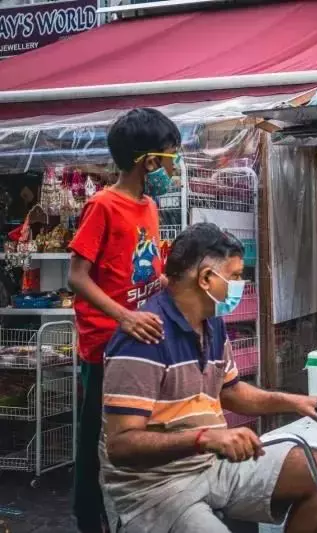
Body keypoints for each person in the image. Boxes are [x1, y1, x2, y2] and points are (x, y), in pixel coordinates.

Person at [100, 223, 317, 533]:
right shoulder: (144, 337)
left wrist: (295, 402)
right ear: (206, 278)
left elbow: (231, 391)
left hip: (211, 465)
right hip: (156, 487)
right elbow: (121, 446)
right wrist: (205, 438)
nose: (241, 284)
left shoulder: (212, 324)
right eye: (236, 276)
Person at [68, 108, 181, 532]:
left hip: (138, 337)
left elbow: (143, 269)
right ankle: (88, 517)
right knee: (96, 436)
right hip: (105, 342)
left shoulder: (149, 205)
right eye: (170, 156)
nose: (173, 165)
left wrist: (172, 282)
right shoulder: (103, 205)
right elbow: (76, 275)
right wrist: (123, 316)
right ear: (149, 161)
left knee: (131, 432)